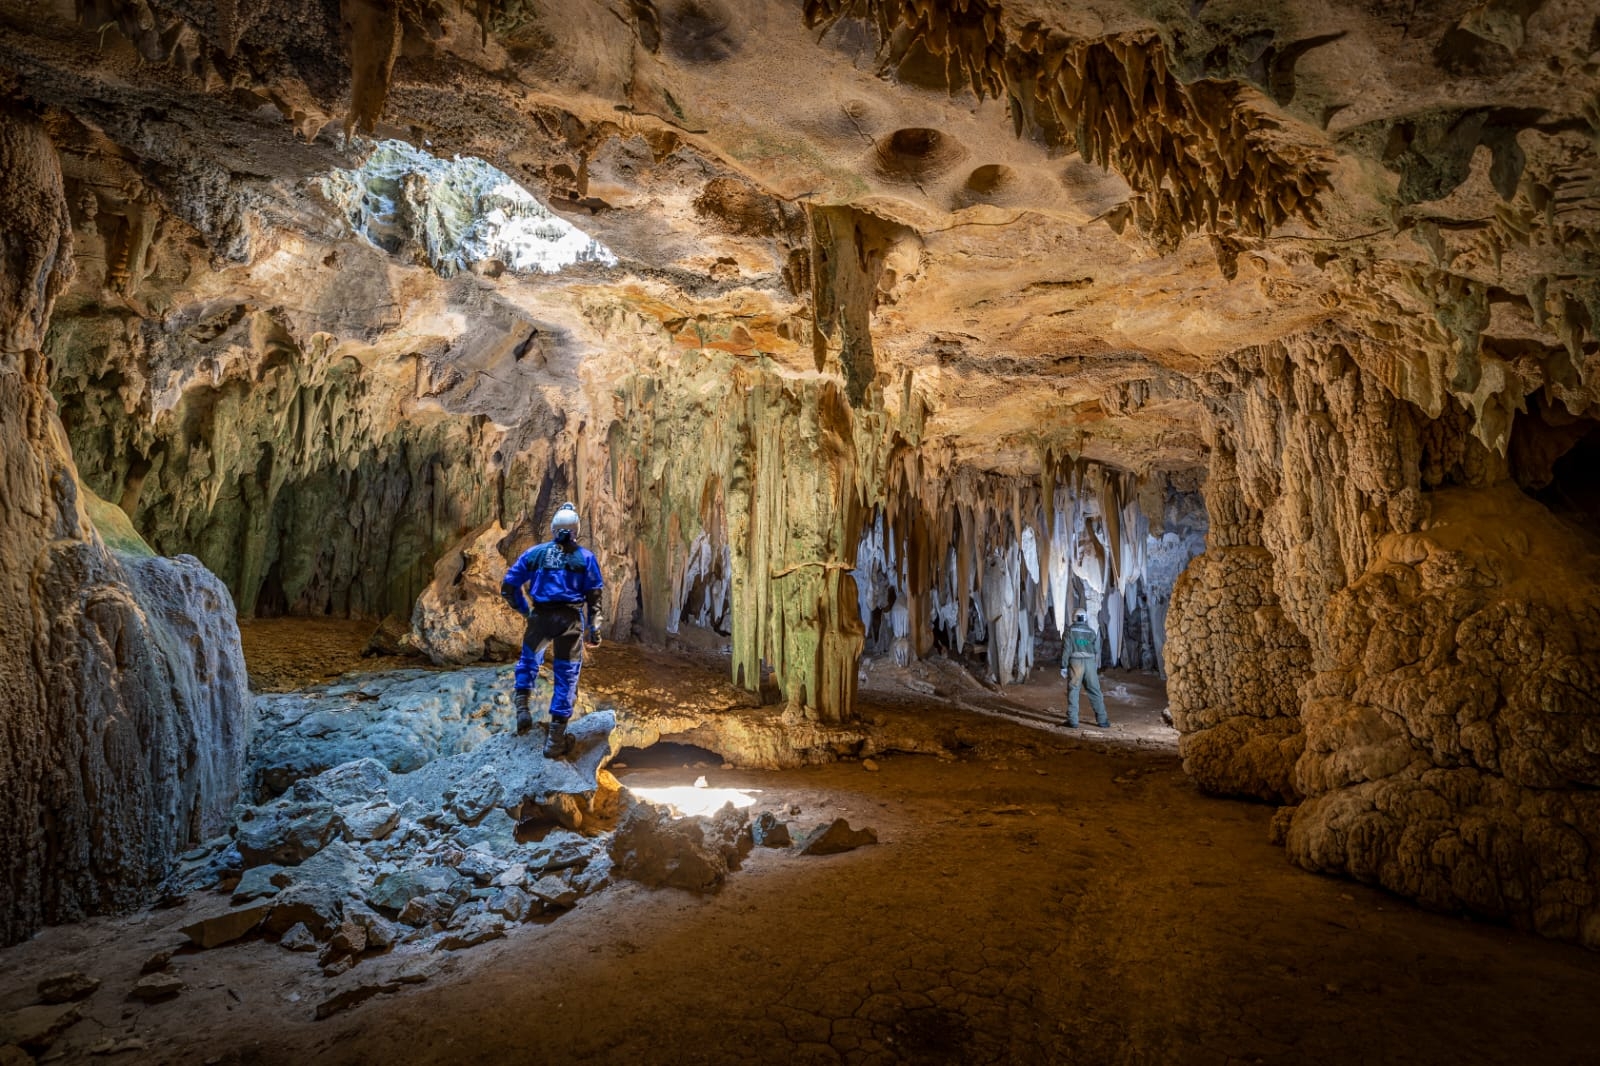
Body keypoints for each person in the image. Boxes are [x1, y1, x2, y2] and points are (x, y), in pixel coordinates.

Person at [500, 502, 604, 758]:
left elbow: (508, 586)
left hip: (541, 616)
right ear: (577, 530)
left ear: (553, 527)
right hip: (569, 619)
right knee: (566, 675)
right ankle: (555, 741)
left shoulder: (535, 553)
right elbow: (595, 598)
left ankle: (522, 708)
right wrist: (594, 630)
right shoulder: (585, 558)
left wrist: (525, 610)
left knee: (528, 661)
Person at [1060, 610, 1109, 729]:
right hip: (1090, 663)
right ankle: (1102, 720)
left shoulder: (1069, 631)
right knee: (1095, 691)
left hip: (1076, 663)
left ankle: (1073, 720)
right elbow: (1096, 649)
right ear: (1085, 618)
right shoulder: (1091, 632)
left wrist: (1063, 666)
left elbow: (1066, 649)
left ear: (1074, 617)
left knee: (1074, 690)